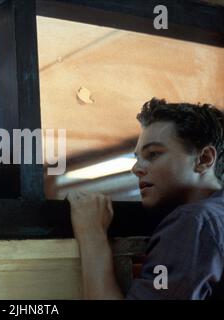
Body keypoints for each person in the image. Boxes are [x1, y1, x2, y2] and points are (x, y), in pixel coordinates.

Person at [68, 98, 224, 299]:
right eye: (137, 158)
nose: (136, 169)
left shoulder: (194, 221)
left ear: (204, 159)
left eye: (153, 154)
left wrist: (92, 235)